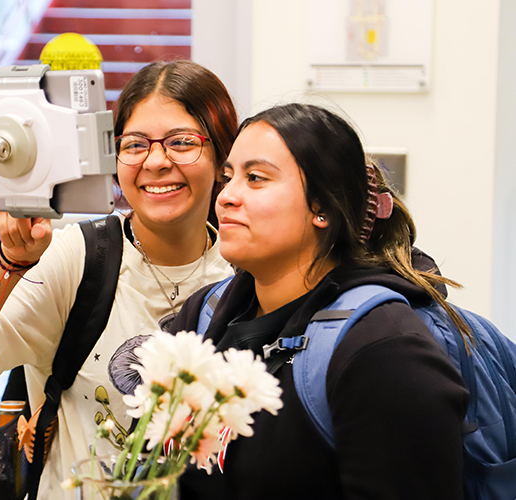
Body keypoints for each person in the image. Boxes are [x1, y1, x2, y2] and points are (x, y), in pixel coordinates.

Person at [0, 60, 238, 498]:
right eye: (136, 144)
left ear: (223, 157)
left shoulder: (241, 271)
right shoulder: (81, 257)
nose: (157, 161)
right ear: (113, 156)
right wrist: (11, 259)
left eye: (182, 142)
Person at [170, 103, 469, 499]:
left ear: (323, 208)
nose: (225, 197)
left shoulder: (385, 351)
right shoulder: (202, 317)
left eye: (255, 178)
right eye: (228, 178)